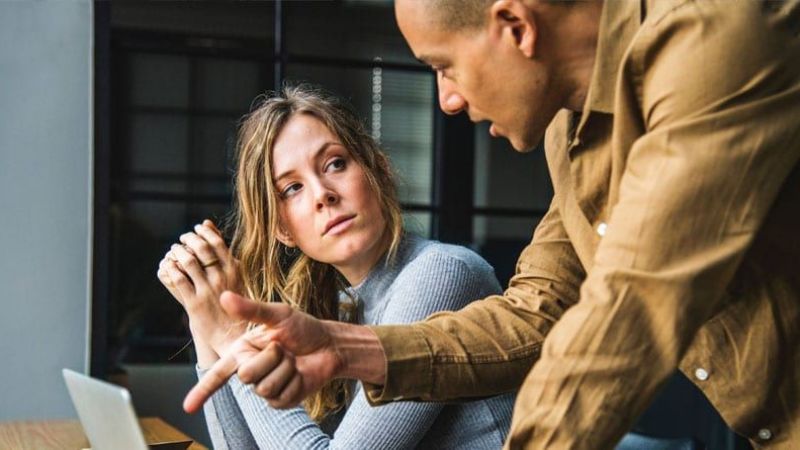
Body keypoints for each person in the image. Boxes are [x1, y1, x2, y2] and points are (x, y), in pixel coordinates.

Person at [186, 0, 800, 448]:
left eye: (444, 65)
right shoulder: (572, 126)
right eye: (291, 189)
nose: (447, 99)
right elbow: (538, 309)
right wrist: (345, 347)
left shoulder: (717, 42)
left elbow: (635, 304)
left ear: (514, 26)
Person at [158, 85, 516, 449]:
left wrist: (232, 337)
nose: (322, 194)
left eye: (335, 164)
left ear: (379, 170)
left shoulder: (442, 273)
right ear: (283, 230)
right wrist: (204, 315)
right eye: (292, 188)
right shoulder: (340, 307)